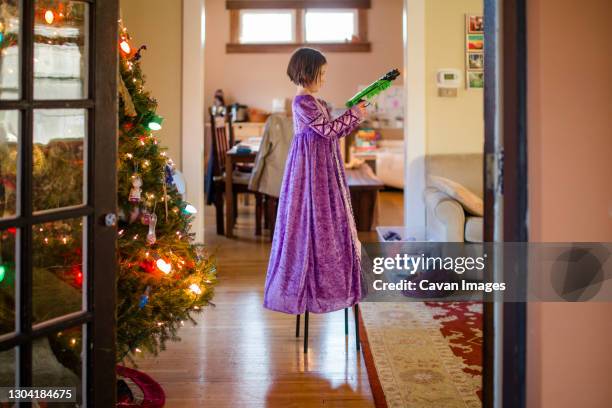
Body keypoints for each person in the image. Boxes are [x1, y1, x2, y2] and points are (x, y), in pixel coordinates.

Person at [263, 47, 368, 314]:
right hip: (310, 170)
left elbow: (332, 132)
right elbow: (328, 131)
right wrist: (354, 114)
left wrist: (353, 113)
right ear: (308, 73)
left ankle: (334, 283)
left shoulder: (314, 101)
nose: (324, 78)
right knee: (311, 220)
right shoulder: (302, 102)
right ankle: (310, 283)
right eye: (321, 73)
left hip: (322, 166)